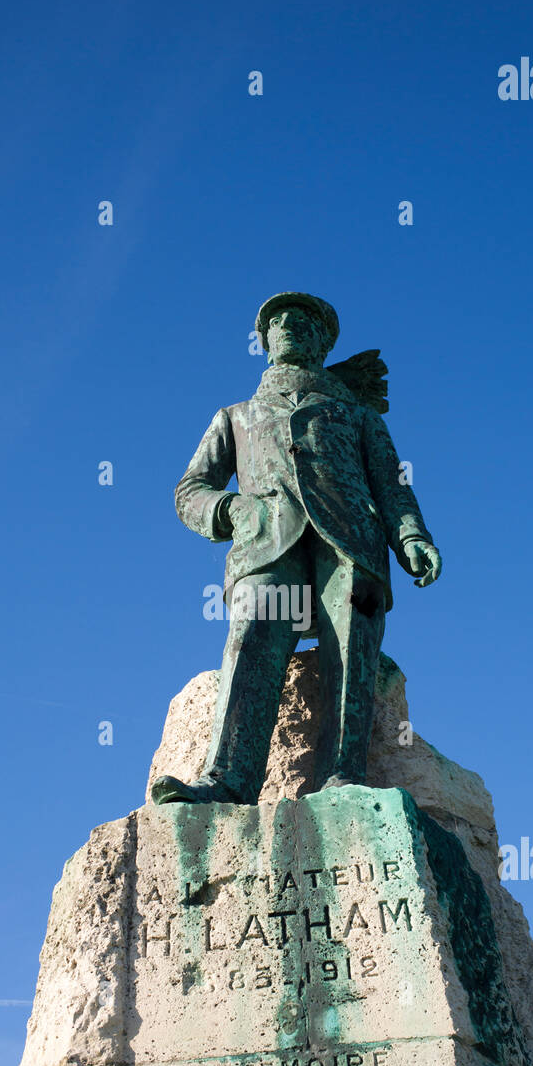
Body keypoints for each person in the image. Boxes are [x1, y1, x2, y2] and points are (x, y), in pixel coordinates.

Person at [151, 291, 441, 806]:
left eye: (302, 321)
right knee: (253, 637)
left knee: (351, 645)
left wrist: (412, 536)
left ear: (323, 343)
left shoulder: (356, 415)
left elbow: (392, 485)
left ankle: (343, 775)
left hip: (349, 544)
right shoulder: (235, 416)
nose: (286, 325)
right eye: (276, 320)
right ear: (261, 341)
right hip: (267, 544)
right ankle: (227, 781)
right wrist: (231, 509)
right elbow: (189, 490)